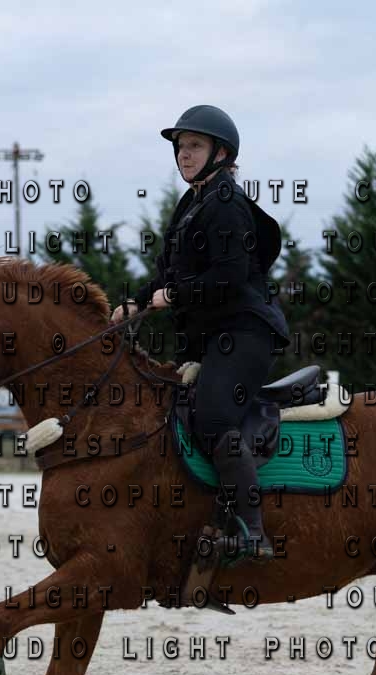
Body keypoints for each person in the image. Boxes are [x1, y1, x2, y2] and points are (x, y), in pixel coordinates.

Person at [111, 105, 290, 560]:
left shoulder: (226, 203)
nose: (184, 155)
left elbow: (229, 276)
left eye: (194, 146)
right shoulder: (193, 203)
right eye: (180, 147)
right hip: (214, 337)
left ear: (220, 153)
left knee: (212, 417)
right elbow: (168, 274)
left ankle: (252, 533)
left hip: (246, 332)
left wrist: (172, 295)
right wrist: (137, 302)